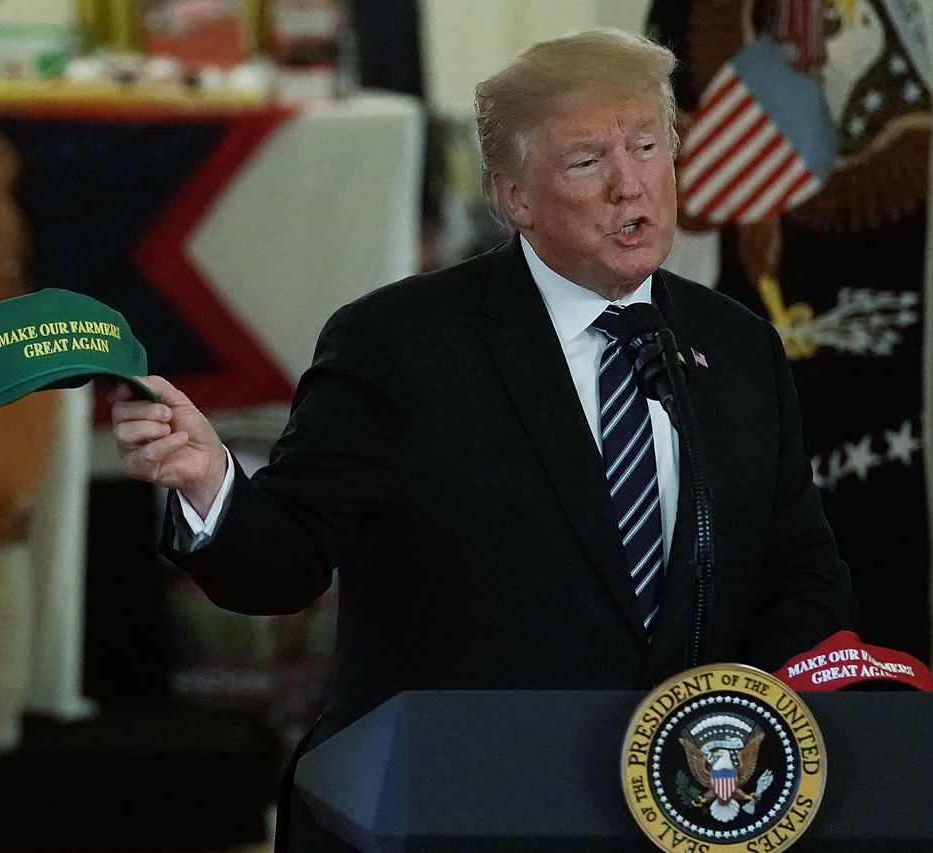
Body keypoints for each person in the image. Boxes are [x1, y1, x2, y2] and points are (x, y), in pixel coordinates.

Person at [110, 28, 854, 851]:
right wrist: (212, 481)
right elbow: (287, 557)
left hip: (677, 813)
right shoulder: (398, 344)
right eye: (585, 161)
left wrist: (751, 734)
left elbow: (800, 573)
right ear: (514, 200)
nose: (627, 183)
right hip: (446, 811)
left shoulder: (738, 348)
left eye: (647, 146)